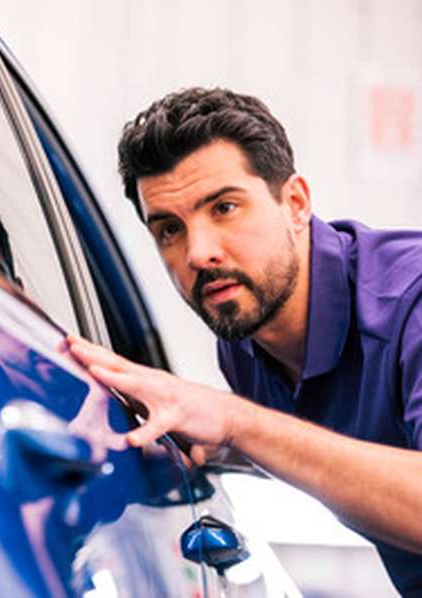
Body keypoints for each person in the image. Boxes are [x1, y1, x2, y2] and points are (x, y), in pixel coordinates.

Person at [66, 87, 422, 593]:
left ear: (295, 203)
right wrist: (221, 447)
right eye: (169, 230)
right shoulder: (244, 336)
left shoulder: (410, 302)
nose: (198, 253)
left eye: (225, 207)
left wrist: (235, 421)